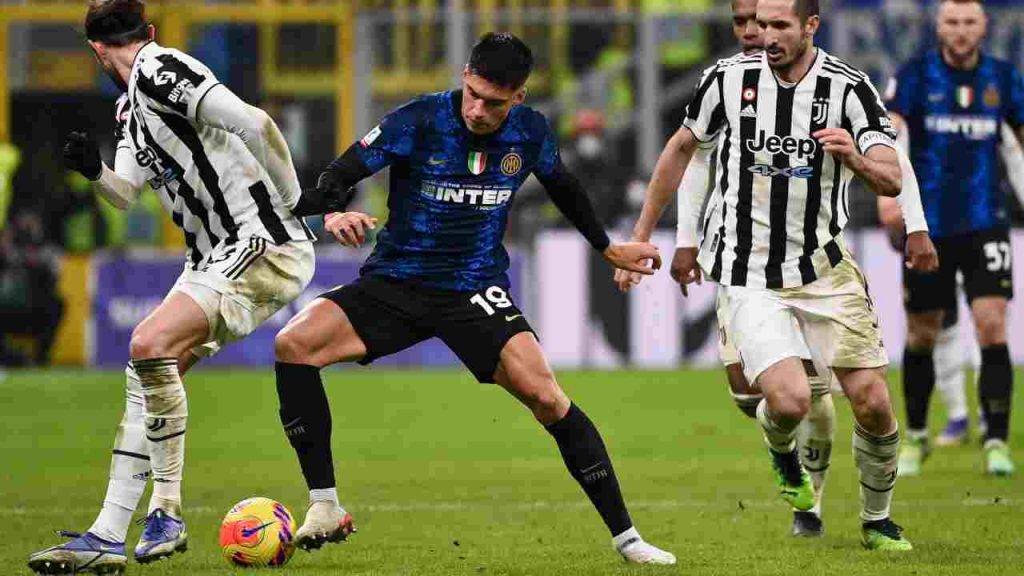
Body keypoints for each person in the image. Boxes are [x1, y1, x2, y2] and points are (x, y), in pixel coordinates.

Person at [274, 32, 676, 565]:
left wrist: (606, 247)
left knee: (550, 399)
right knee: (292, 346)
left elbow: (563, 186)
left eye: (494, 102)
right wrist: (333, 213)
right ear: (465, 76)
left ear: (520, 97)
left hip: (473, 289)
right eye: (474, 94)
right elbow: (338, 174)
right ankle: (324, 504)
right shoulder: (418, 118)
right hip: (396, 281)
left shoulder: (530, 133)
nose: (479, 110)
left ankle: (629, 540)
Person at [628, 0, 939, 551]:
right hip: (748, 275)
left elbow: (891, 175)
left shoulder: (847, 88)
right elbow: (683, 150)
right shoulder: (725, 80)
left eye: (778, 26)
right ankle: (783, 454)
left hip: (825, 270)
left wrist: (858, 160)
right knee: (790, 400)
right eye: (759, 25)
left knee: (872, 401)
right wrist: (649, 233)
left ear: (810, 26)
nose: (763, 36)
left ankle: (876, 520)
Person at [29, 1, 315, 573]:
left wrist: (298, 203)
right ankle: (108, 534)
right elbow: (125, 193)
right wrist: (94, 171)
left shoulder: (161, 70)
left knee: (146, 344)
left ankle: (166, 509)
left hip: (260, 242)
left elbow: (256, 123)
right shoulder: (131, 108)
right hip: (212, 256)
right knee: (147, 372)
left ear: (93, 49)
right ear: (148, 29)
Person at [886, 0, 1024, 477]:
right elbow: (892, 138)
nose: (961, 31)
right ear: (939, 26)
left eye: (969, 22)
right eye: (952, 22)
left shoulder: (1005, 78)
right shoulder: (915, 76)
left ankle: (996, 441)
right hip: (930, 227)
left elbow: (1019, 144)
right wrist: (891, 200)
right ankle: (918, 436)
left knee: (992, 325)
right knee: (923, 332)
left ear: (984, 26)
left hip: (987, 219)